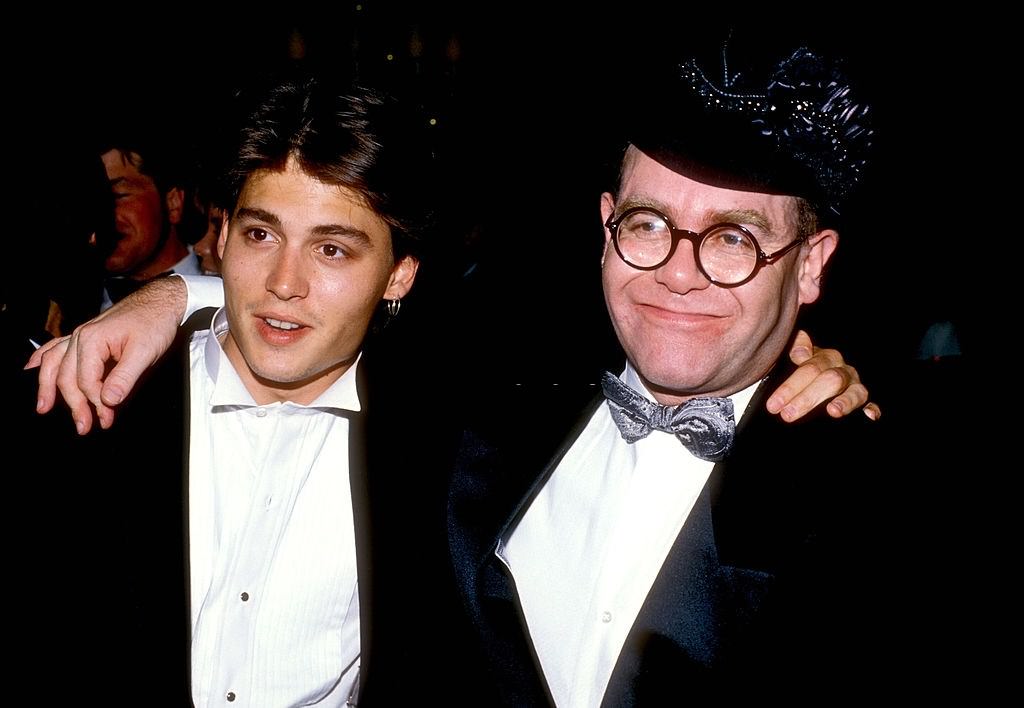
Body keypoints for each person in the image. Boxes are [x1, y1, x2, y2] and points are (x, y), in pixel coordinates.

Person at [446, 42, 894, 704]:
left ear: (809, 264)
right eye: (649, 224)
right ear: (606, 227)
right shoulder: (483, 406)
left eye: (733, 239)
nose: (678, 275)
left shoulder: (869, 503)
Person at [18, 71, 454, 706]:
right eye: (261, 234)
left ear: (399, 276)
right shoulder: (95, 401)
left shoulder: (443, 451)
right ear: (220, 235)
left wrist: (177, 294)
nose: (283, 281)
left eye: (332, 250)